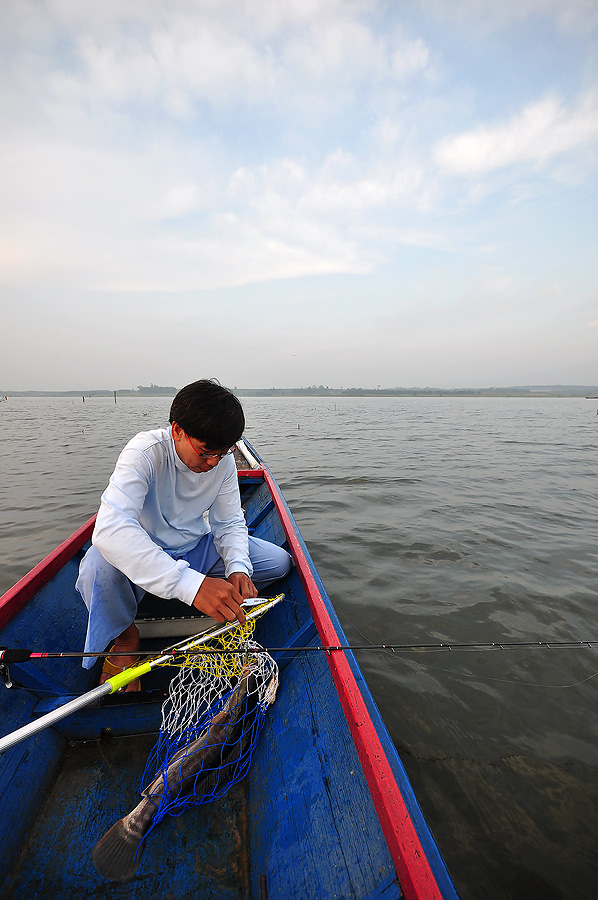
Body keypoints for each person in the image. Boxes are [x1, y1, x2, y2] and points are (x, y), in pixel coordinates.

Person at [76, 379, 292, 691]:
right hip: (145, 548)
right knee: (98, 567)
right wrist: (193, 586)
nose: (214, 462)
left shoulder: (223, 462)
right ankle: (125, 639)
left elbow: (229, 521)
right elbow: (111, 530)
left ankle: (197, 589)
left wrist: (237, 568)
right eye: (205, 452)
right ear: (177, 430)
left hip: (195, 545)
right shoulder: (145, 453)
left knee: (279, 562)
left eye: (223, 452)